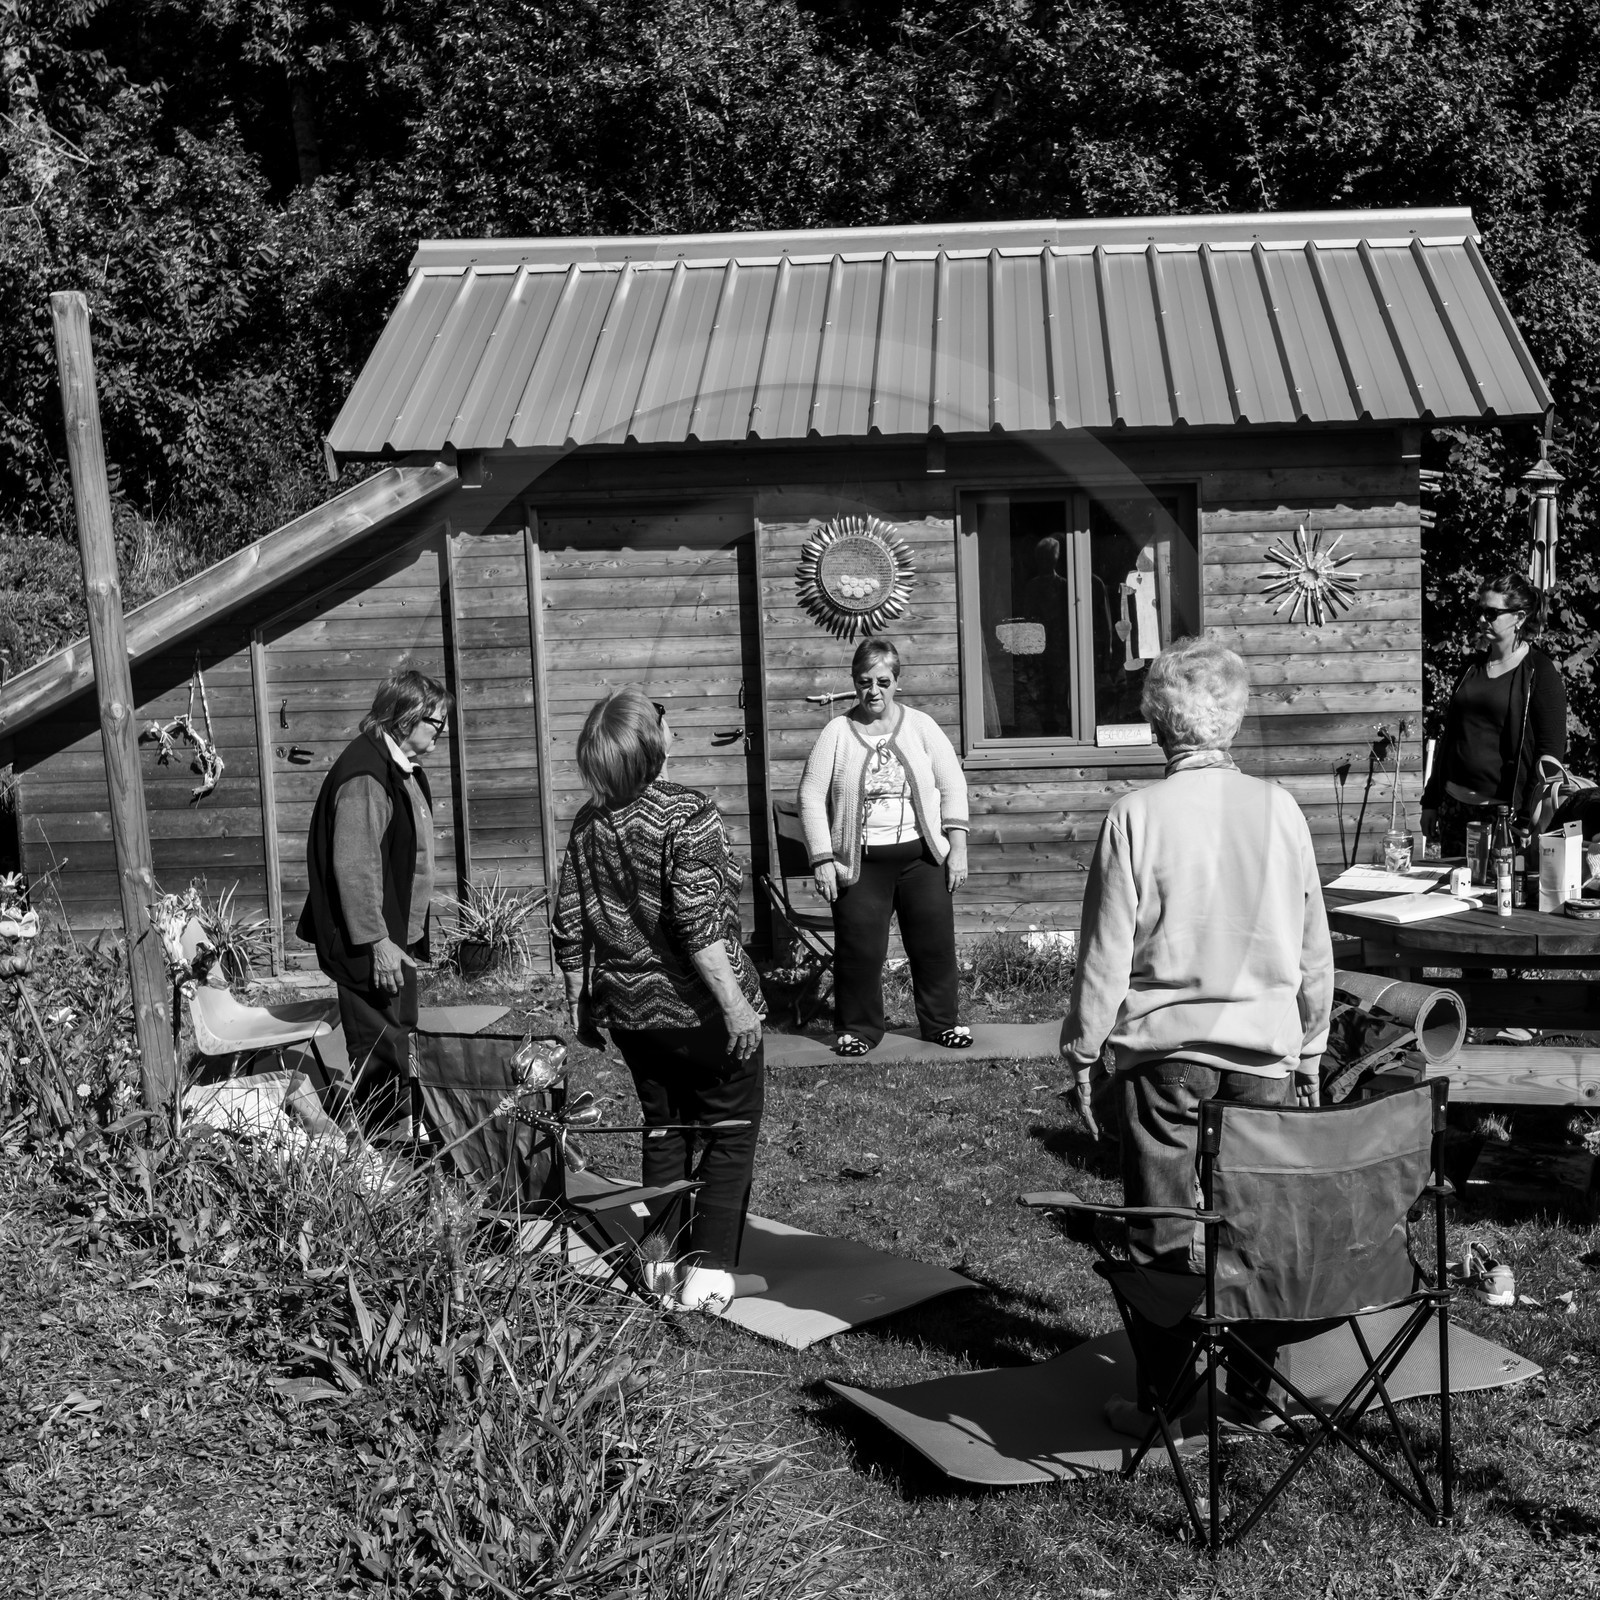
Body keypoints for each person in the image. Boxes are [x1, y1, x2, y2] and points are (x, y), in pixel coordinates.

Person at [1058, 635, 1333, 1438]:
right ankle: (1252, 1397)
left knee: (1161, 1229)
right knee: (1258, 1228)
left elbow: (1105, 953)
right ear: (1234, 723)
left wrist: (1083, 1049)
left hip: (1166, 1054)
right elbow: (1313, 944)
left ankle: (1166, 1404)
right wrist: (1311, 1045)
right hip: (1264, 1052)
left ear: (1158, 726)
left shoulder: (1136, 815)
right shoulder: (1280, 808)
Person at [550, 687, 767, 1314]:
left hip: (631, 1013)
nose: (671, 724)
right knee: (729, 1126)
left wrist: (580, 1000)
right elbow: (699, 925)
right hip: (698, 1009)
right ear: (651, 743)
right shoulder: (686, 813)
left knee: (666, 1126)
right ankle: (710, 1271)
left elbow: (569, 918)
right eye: (662, 719)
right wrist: (734, 1005)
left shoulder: (591, 821)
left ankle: (662, 1264)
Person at [797, 638, 972, 1057]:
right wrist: (822, 859)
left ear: (897, 682)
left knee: (933, 947)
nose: (873, 691)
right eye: (864, 682)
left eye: (882, 681)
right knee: (860, 951)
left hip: (921, 858)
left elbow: (952, 785)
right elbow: (809, 796)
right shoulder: (836, 733)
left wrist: (958, 849)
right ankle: (859, 1029)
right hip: (861, 864)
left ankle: (941, 1024)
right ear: (853, 685)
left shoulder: (922, 727)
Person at [298, 669, 450, 1131]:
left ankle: (398, 1126)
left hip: (392, 932)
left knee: (399, 1032)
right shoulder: (366, 775)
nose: (442, 730)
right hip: (370, 940)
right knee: (380, 1041)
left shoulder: (395, 767)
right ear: (406, 719)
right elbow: (354, 866)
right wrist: (377, 941)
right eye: (436, 722)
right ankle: (384, 1144)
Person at [1420, 571, 1566, 855]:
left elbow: (1550, 754)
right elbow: (1451, 737)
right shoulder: (1471, 669)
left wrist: (1526, 817)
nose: (1482, 619)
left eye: (1491, 613)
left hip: (1503, 818)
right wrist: (1431, 801)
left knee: (1498, 896)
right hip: (1454, 807)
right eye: (1480, 611)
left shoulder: (1539, 673)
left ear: (1519, 617)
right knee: (1455, 895)